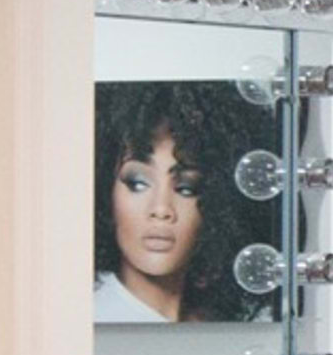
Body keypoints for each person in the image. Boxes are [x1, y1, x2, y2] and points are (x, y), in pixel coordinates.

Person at [94, 81, 277, 323]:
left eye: (186, 188)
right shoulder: (82, 319)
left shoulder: (240, 323)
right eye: (137, 183)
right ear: (105, 192)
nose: (161, 209)